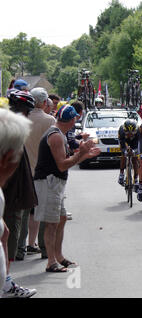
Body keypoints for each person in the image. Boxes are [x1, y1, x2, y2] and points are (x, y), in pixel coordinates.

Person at [34, 105, 100, 273]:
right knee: (51, 223)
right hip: (49, 182)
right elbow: (62, 165)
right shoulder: (56, 136)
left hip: (54, 183)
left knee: (61, 218)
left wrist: (85, 154)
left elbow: (66, 161)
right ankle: (51, 262)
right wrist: (81, 153)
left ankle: (58, 256)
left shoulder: (58, 133)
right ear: (73, 120)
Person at [2, 91, 38, 297]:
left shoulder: (10, 130)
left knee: (6, 235)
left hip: (10, 196)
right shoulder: (9, 133)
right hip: (9, 198)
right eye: (26, 112)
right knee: (8, 236)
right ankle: (5, 282)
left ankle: (6, 281)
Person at [18, 88, 56, 260]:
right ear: (43, 102)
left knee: (23, 213)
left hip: (24, 171)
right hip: (43, 172)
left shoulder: (21, 120)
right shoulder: (49, 121)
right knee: (41, 211)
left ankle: (19, 248)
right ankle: (43, 248)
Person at [117, 120, 140, 190]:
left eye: (132, 133)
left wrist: (134, 151)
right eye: (128, 133)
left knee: (135, 159)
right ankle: (121, 174)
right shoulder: (121, 130)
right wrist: (125, 150)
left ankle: (136, 179)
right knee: (123, 155)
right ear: (125, 131)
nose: (130, 134)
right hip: (125, 141)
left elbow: (138, 144)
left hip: (135, 142)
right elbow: (122, 145)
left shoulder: (139, 131)